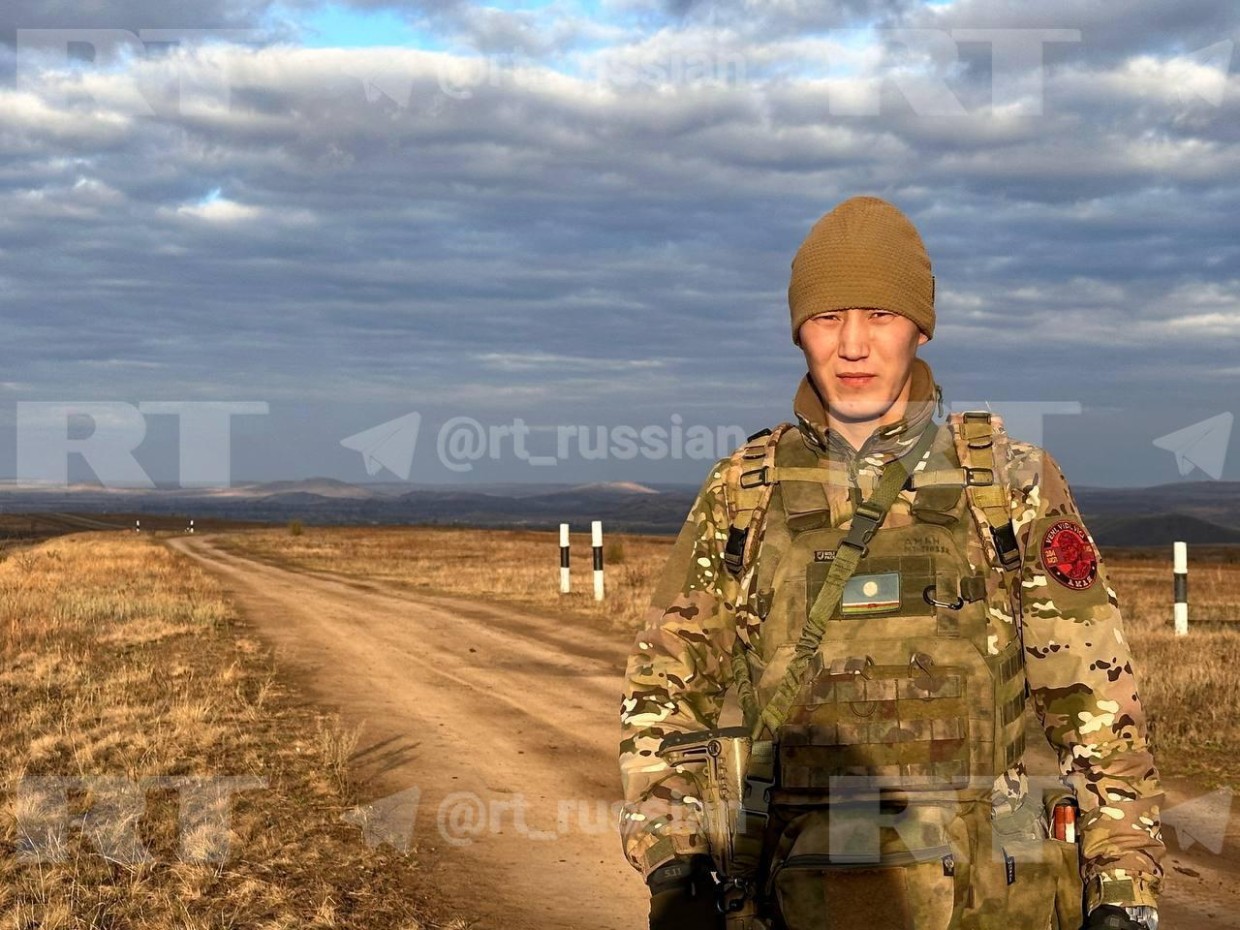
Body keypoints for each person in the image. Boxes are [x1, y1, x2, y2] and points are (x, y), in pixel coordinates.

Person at [618, 196, 1164, 930]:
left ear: (919, 325)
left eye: (879, 314)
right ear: (798, 331)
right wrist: (675, 861)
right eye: (827, 317)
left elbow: (1097, 711)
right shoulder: (743, 493)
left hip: (987, 900)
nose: (853, 345)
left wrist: (1124, 888)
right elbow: (664, 690)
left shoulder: (1009, 485)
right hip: (788, 895)